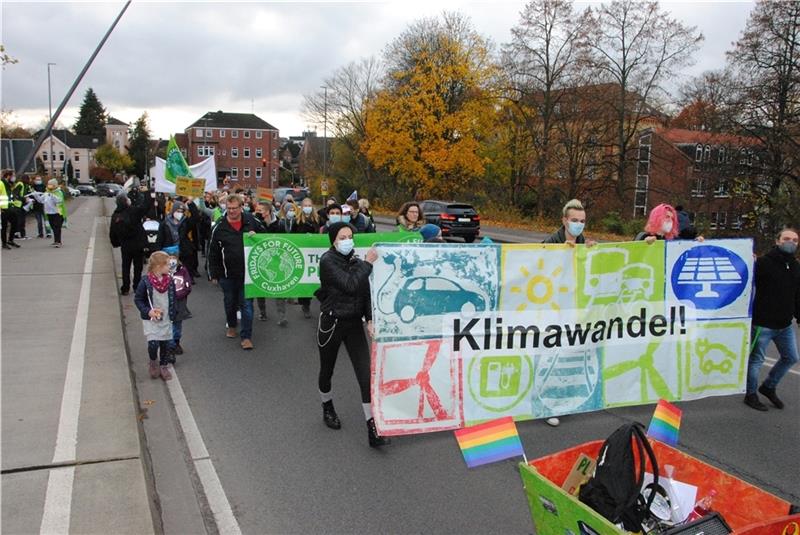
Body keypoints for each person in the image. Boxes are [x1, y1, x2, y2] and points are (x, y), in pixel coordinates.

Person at [315, 221, 389, 448]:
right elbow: (349, 284)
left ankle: (372, 427)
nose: (347, 240)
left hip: (354, 325)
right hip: (332, 323)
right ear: (334, 241)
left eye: (350, 236)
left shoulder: (356, 262)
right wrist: (367, 263)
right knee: (327, 370)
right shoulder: (327, 261)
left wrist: (369, 319)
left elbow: (364, 292)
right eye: (342, 237)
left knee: (366, 375)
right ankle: (327, 406)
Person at [744, 228, 800, 411]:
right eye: (786, 239)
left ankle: (768, 386)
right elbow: (745, 280)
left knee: (791, 357)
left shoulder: (795, 266)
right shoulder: (763, 263)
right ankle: (751, 395)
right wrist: (747, 259)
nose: (790, 242)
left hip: (785, 325)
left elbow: (797, 294)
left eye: (794, 240)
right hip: (763, 323)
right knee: (756, 361)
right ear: (777, 241)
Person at [207, 194, 264, 350]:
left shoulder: (251, 221)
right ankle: (232, 324)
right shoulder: (219, 227)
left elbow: (269, 236)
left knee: (247, 305)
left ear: (241, 207)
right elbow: (212, 252)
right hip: (227, 275)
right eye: (229, 208)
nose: (231, 211)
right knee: (230, 302)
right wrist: (213, 273)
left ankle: (246, 337)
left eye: (234, 208)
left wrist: (258, 236)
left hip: (249, 274)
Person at [134, 251, 176, 381]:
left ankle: (163, 365)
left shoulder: (169, 281)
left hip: (166, 317)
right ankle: (153, 361)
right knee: (153, 343)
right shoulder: (145, 282)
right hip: (151, 318)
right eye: (167, 265)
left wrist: (174, 312)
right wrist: (148, 311)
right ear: (158, 266)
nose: (170, 267)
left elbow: (173, 297)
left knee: (165, 344)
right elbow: (138, 299)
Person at [110, 190, 151, 295]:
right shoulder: (133, 211)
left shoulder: (116, 215)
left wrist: (116, 243)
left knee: (125, 266)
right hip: (138, 245)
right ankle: (136, 286)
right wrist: (148, 193)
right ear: (125, 201)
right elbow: (145, 207)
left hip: (125, 245)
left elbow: (112, 232)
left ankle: (125, 287)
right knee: (138, 267)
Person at [636, 203, 703, 243]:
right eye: (667, 217)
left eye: (672, 218)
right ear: (657, 218)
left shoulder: (673, 240)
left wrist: (695, 242)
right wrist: (644, 243)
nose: (670, 221)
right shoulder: (643, 236)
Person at [168, 253, 193, 356]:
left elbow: (188, 286)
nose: (172, 261)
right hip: (168, 303)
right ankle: (170, 345)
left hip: (180, 303)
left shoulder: (183, 271)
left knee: (177, 325)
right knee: (168, 325)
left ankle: (176, 342)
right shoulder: (164, 272)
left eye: (174, 259)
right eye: (169, 259)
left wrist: (178, 295)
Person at [28, 179, 64, 247]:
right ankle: (56, 241)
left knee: (57, 227)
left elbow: (59, 201)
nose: (49, 186)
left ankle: (58, 241)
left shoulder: (59, 192)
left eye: (51, 185)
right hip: (49, 213)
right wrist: (35, 195)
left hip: (57, 213)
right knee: (53, 227)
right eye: (48, 184)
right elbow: (41, 200)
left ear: (55, 185)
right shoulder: (46, 193)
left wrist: (52, 195)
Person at [1, 170, 21, 248]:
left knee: (15, 223)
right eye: (12, 176)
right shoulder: (1, 183)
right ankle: (4, 243)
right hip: (3, 209)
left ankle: (10, 240)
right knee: (4, 226)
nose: (13, 177)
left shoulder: (9, 184)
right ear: (8, 176)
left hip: (10, 207)